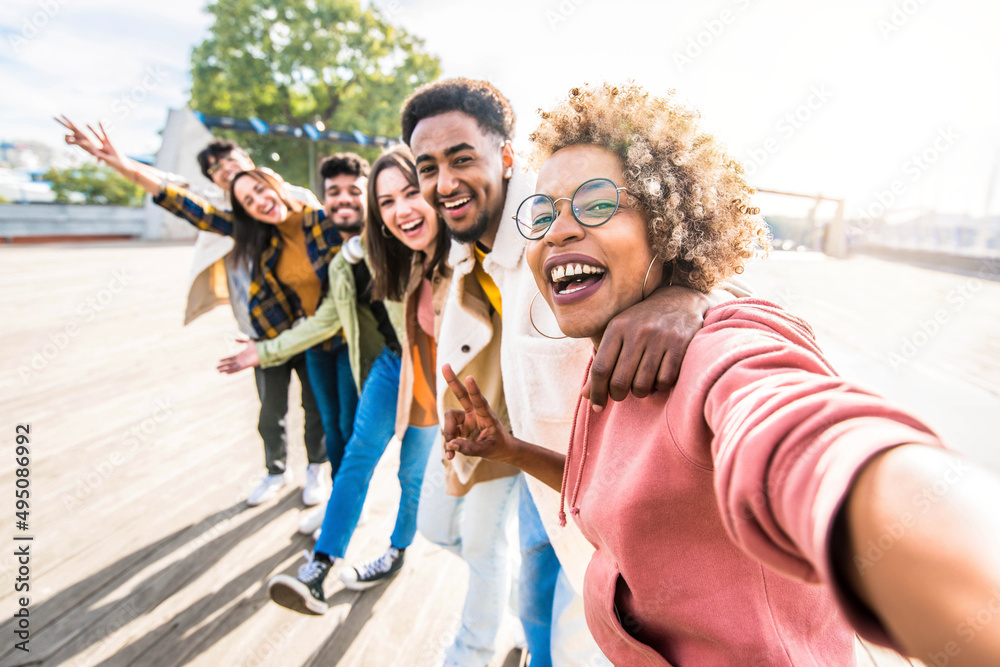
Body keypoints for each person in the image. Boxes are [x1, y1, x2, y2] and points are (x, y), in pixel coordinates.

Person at [441, 82, 1000, 666]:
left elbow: (801, 434)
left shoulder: (715, 349)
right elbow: (625, 489)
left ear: (667, 223)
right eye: (544, 210)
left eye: (598, 203)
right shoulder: (616, 351)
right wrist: (511, 450)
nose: (559, 229)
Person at [402, 79, 734, 666]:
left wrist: (689, 295)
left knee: (573, 621)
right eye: (426, 167)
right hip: (542, 462)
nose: (443, 183)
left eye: (461, 159)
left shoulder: (553, 229)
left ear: (507, 158)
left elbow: (696, 257)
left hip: (608, 495)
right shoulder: (459, 249)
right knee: (519, 584)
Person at [217, 146, 446, 612]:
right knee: (358, 455)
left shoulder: (444, 243)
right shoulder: (352, 259)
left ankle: (396, 551)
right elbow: (323, 321)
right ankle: (320, 566)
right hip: (391, 364)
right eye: (388, 201)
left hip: (433, 370)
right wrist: (262, 352)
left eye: (408, 193)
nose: (399, 208)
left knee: (412, 472)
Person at [71, 122, 343, 508]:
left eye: (232, 162)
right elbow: (185, 202)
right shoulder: (246, 225)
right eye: (219, 172)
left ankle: (318, 468)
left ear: (259, 170)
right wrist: (120, 164)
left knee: (317, 408)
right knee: (271, 412)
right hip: (266, 333)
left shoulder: (310, 212)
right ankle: (276, 470)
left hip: (315, 332)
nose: (259, 200)